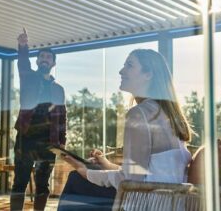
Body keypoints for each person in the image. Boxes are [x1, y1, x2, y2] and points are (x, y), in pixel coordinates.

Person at [57, 49, 193, 211]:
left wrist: (85, 171)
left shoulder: (139, 114)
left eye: (129, 65)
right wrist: (106, 165)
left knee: (76, 179)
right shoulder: (170, 116)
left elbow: (131, 180)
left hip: (146, 204)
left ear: (148, 74)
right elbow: (143, 171)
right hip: (168, 203)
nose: (121, 71)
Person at [10, 28, 67, 211]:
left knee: (43, 185)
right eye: (41, 57)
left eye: (48, 58)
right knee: (20, 182)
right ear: (37, 61)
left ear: (53, 63)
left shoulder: (59, 89)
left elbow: (62, 117)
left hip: (48, 142)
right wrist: (23, 46)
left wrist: (62, 141)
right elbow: (23, 64)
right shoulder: (28, 78)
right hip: (26, 139)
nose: (44, 59)